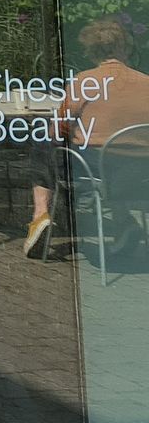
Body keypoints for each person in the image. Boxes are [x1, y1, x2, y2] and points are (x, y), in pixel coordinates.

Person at [25, 17, 149, 257]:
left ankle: (40, 216)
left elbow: (57, 129)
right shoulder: (147, 82)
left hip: (96, 167)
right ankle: (124, 223)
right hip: (141, 168)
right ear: (125, 47)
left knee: (44, 145)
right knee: (116, 156)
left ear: (91, 51)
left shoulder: (85, 81)